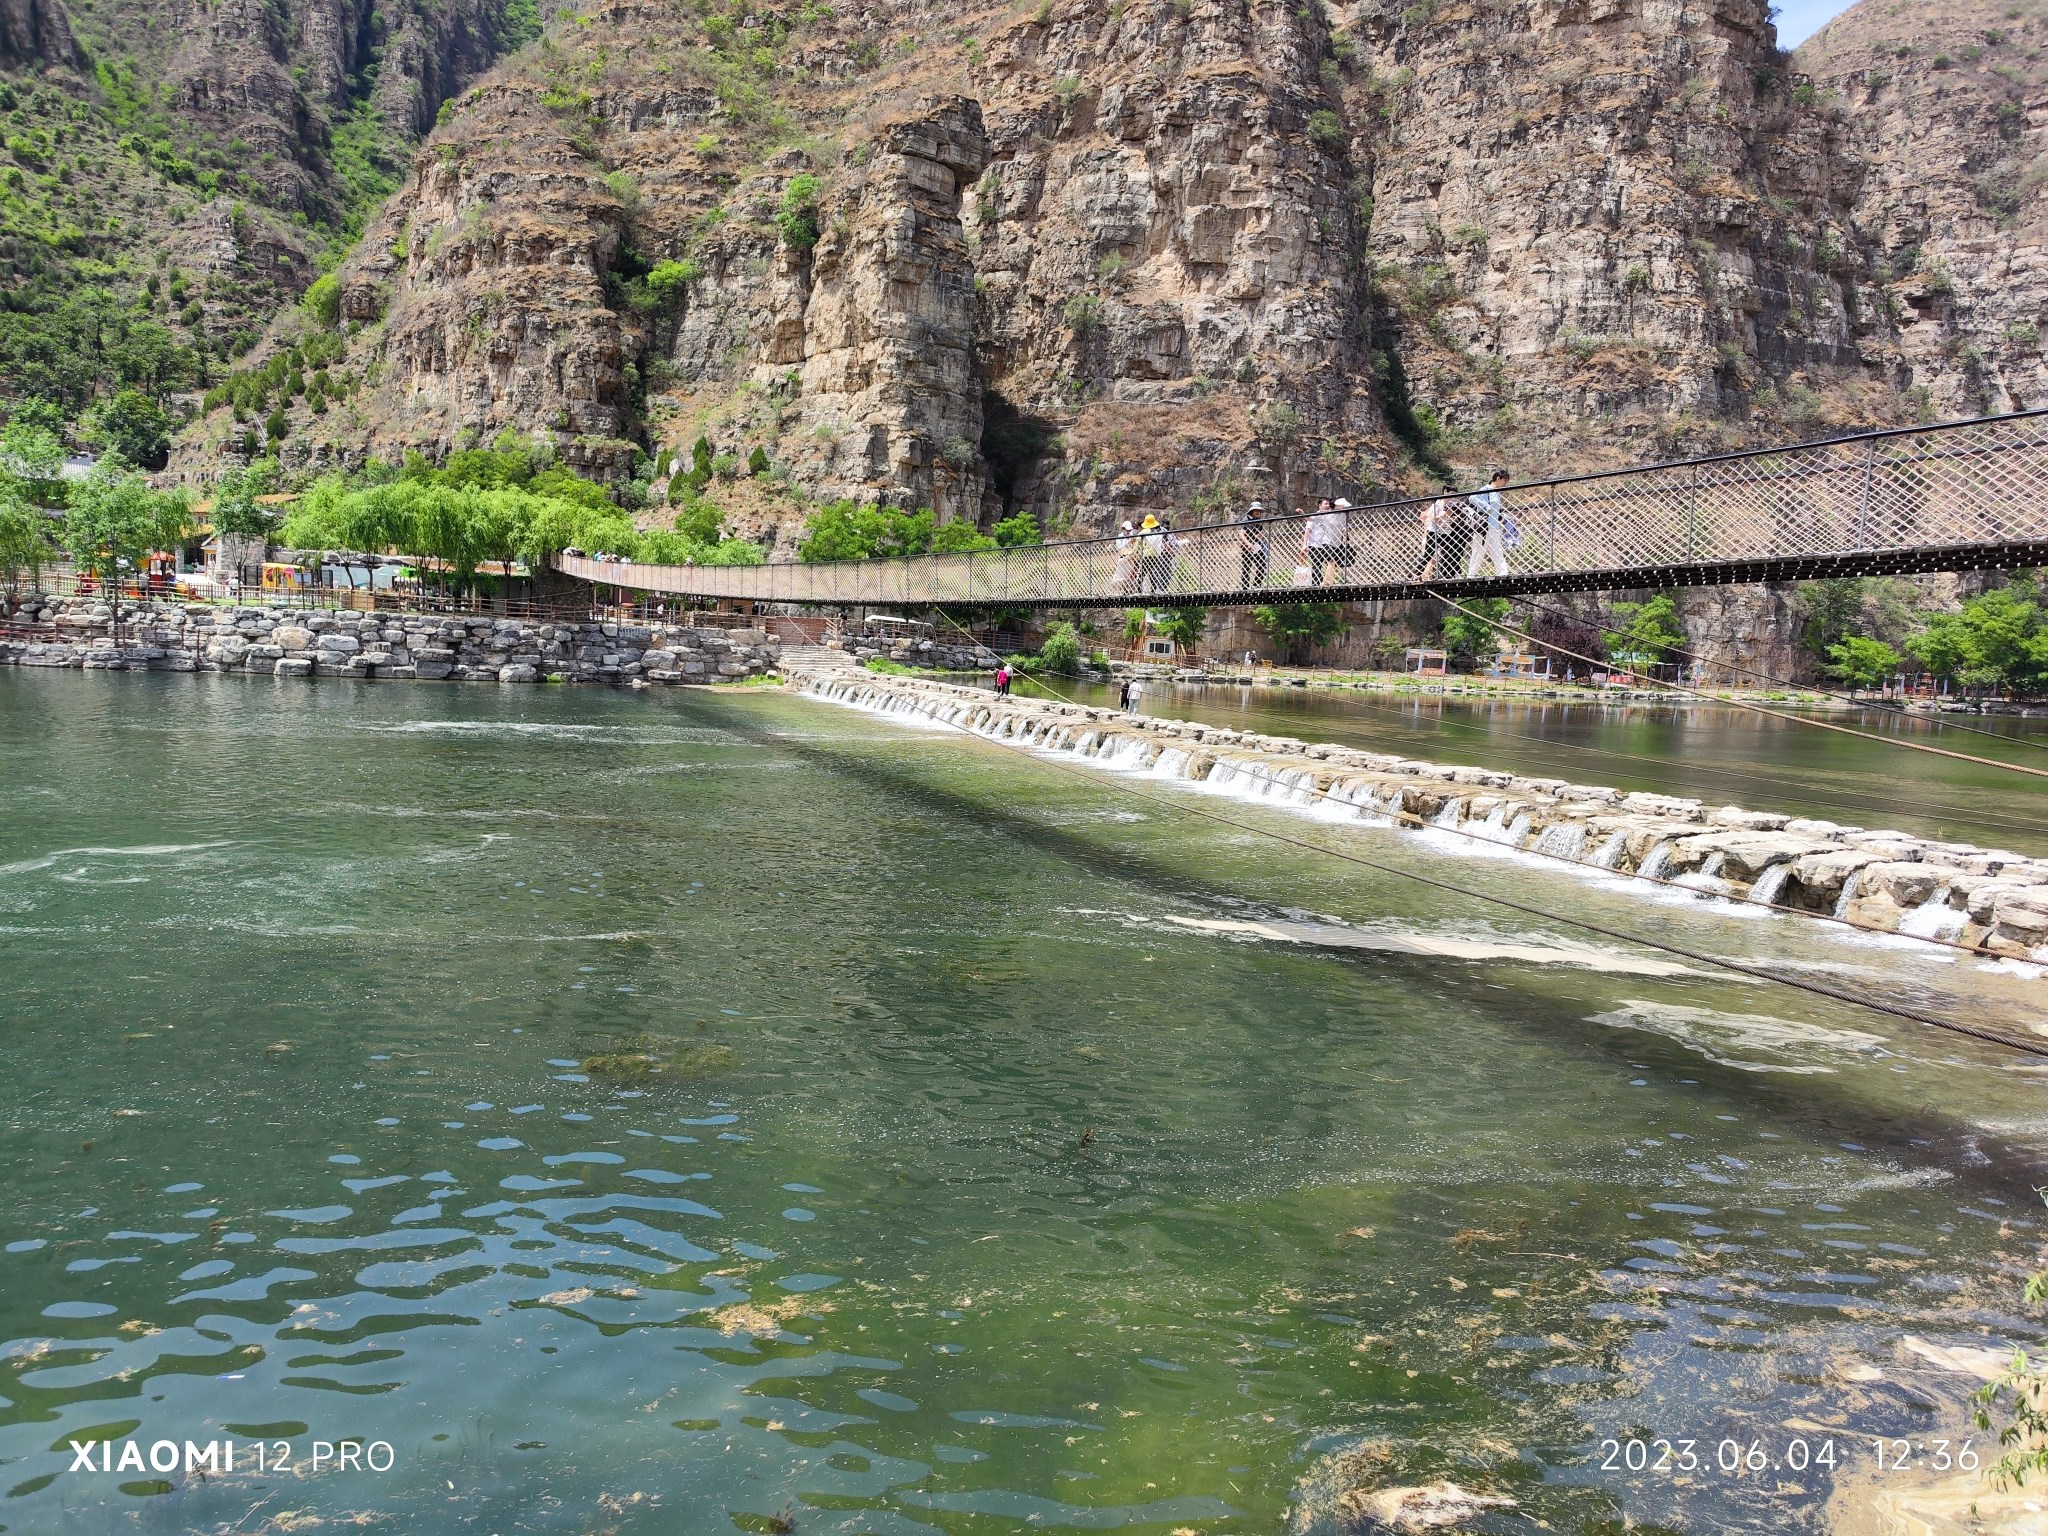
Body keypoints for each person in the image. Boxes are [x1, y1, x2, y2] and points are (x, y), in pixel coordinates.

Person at [1465, 469, 1513, 578]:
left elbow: (1496, 509)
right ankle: (1471, 575)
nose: (1505, 483)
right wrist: (1486, 507)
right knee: (1478, 551)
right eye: (1504, 480)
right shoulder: (1486, 489)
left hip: (1494, 526)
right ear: (1498, 478)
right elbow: (1472, 498)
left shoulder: (1496, 492)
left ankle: (1503, 573)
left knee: (1498, 550)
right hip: (1484, 527)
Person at [1415, 483, 1460, 579]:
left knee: (1450, 554)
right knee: (1428, 555)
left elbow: (1454, 518)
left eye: (1455, 494)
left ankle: (1448, 576)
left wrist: (1453, 514)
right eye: (1451, 493)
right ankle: (1415, 575)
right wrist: (1446, 514)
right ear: (1445, 492)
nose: (1453, 497)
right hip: (1434, 532)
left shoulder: (1453, 505)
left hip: (1446, 533)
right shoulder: (1437, 503)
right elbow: (1433, 518)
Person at [1304, 496, 1347, 585]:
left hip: (1327, 543)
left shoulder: (1330, 516)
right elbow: (1308, 530)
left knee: (1331, 561)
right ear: (1320, 505)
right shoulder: (1316, 515)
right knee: (1317, 564)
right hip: (1315, 544)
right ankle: (1316, 584)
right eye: (1325, 504)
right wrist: (1304, 544)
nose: (1327, 506)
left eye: (1328, 504)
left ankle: (1326, 581)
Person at [1138, 515, 1169, 594]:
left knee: (1143, 572)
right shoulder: (1159, 531)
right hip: (1156, 555)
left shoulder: (1145, 531)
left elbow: (1138, 539)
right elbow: (1165, 537)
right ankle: (1153, 589)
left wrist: (1139, 548)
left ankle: (1138, 589)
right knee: (1152, 571)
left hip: (1147, 554)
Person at [1112, 520, 1137, 594]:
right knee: (1121, 575)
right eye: (1127, 530)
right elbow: (1119, 548)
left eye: (1129, 530)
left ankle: (1129, 590)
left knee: (1131, 575)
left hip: (1131, 558)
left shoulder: (1132, 535)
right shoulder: (1120, 537)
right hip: (1123, 558)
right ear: (1123, 529)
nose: (1128, 532)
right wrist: (1127, 542)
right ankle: (1119, 590)